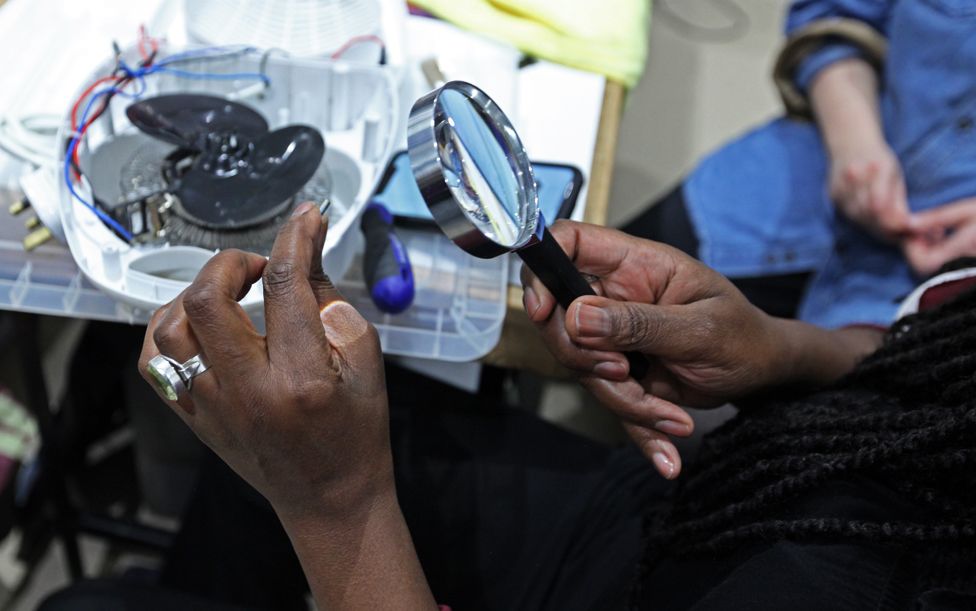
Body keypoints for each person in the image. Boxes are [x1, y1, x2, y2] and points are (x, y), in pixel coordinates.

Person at [42, 207, 975, 610]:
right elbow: (921, 355)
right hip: (672, 525)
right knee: (322, 443)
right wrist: (777, 349)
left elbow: (334, 496)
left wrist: (339, 515)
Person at [624, 0, 976, 324]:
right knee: (605, 285)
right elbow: (831, 14)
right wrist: (854, 143)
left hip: (907, 308)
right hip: (785, 190)